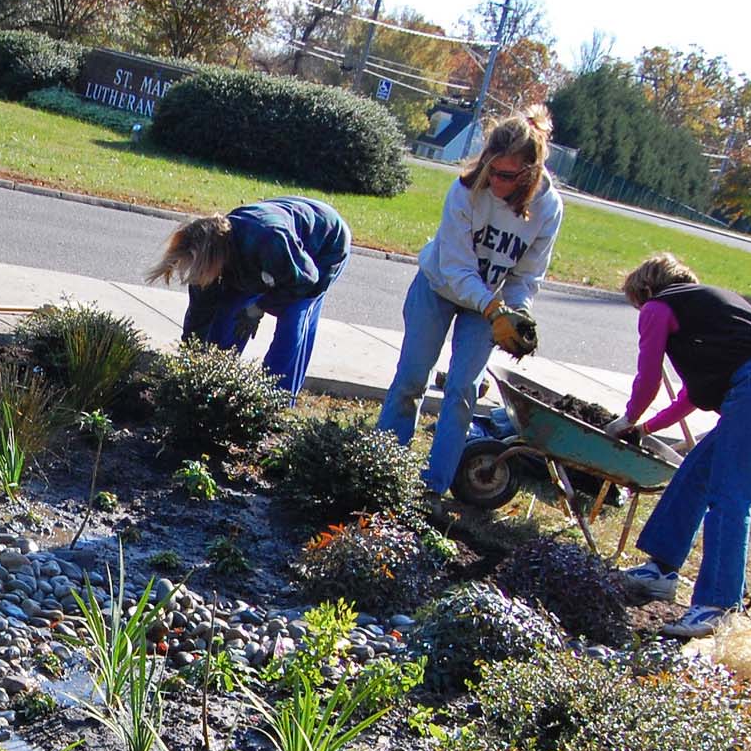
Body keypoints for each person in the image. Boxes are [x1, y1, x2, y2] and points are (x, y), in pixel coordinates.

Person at [606, 253, 751, 639]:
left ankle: (716, 606)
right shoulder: (707, 305)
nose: (641, 313)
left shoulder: (658, 305)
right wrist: (647, 427)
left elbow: (648, 379)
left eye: (638, 304)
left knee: (730, 493)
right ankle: (660, 570)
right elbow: (691, 398)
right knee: (697, 471)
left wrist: (627, 420)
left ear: (646, 290)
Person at [377, 105, 563, 495]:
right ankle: (383, 468)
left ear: (529, 173)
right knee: (412, 378)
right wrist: (493, 307)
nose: (495, 180)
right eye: (492, 169)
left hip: (491, 301)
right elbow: (457, 269)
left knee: (463, 391)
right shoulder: (465, 190)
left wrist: (517, 314)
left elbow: (526, 275)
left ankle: (433, 486)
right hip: (439, 286)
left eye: (507, 175)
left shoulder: (548, 208)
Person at [147, 195, 350, 397]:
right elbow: (199, 317)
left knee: (293, 315)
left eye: (198, 271)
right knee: (229, 313)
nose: (196, 277)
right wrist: (189, 361)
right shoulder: (207, 264)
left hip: (324, 243)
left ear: (212, 257)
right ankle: (215, 385)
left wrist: (259, 307)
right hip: (262, 254)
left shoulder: (269, 239)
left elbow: (306, 280)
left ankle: (277, 397)